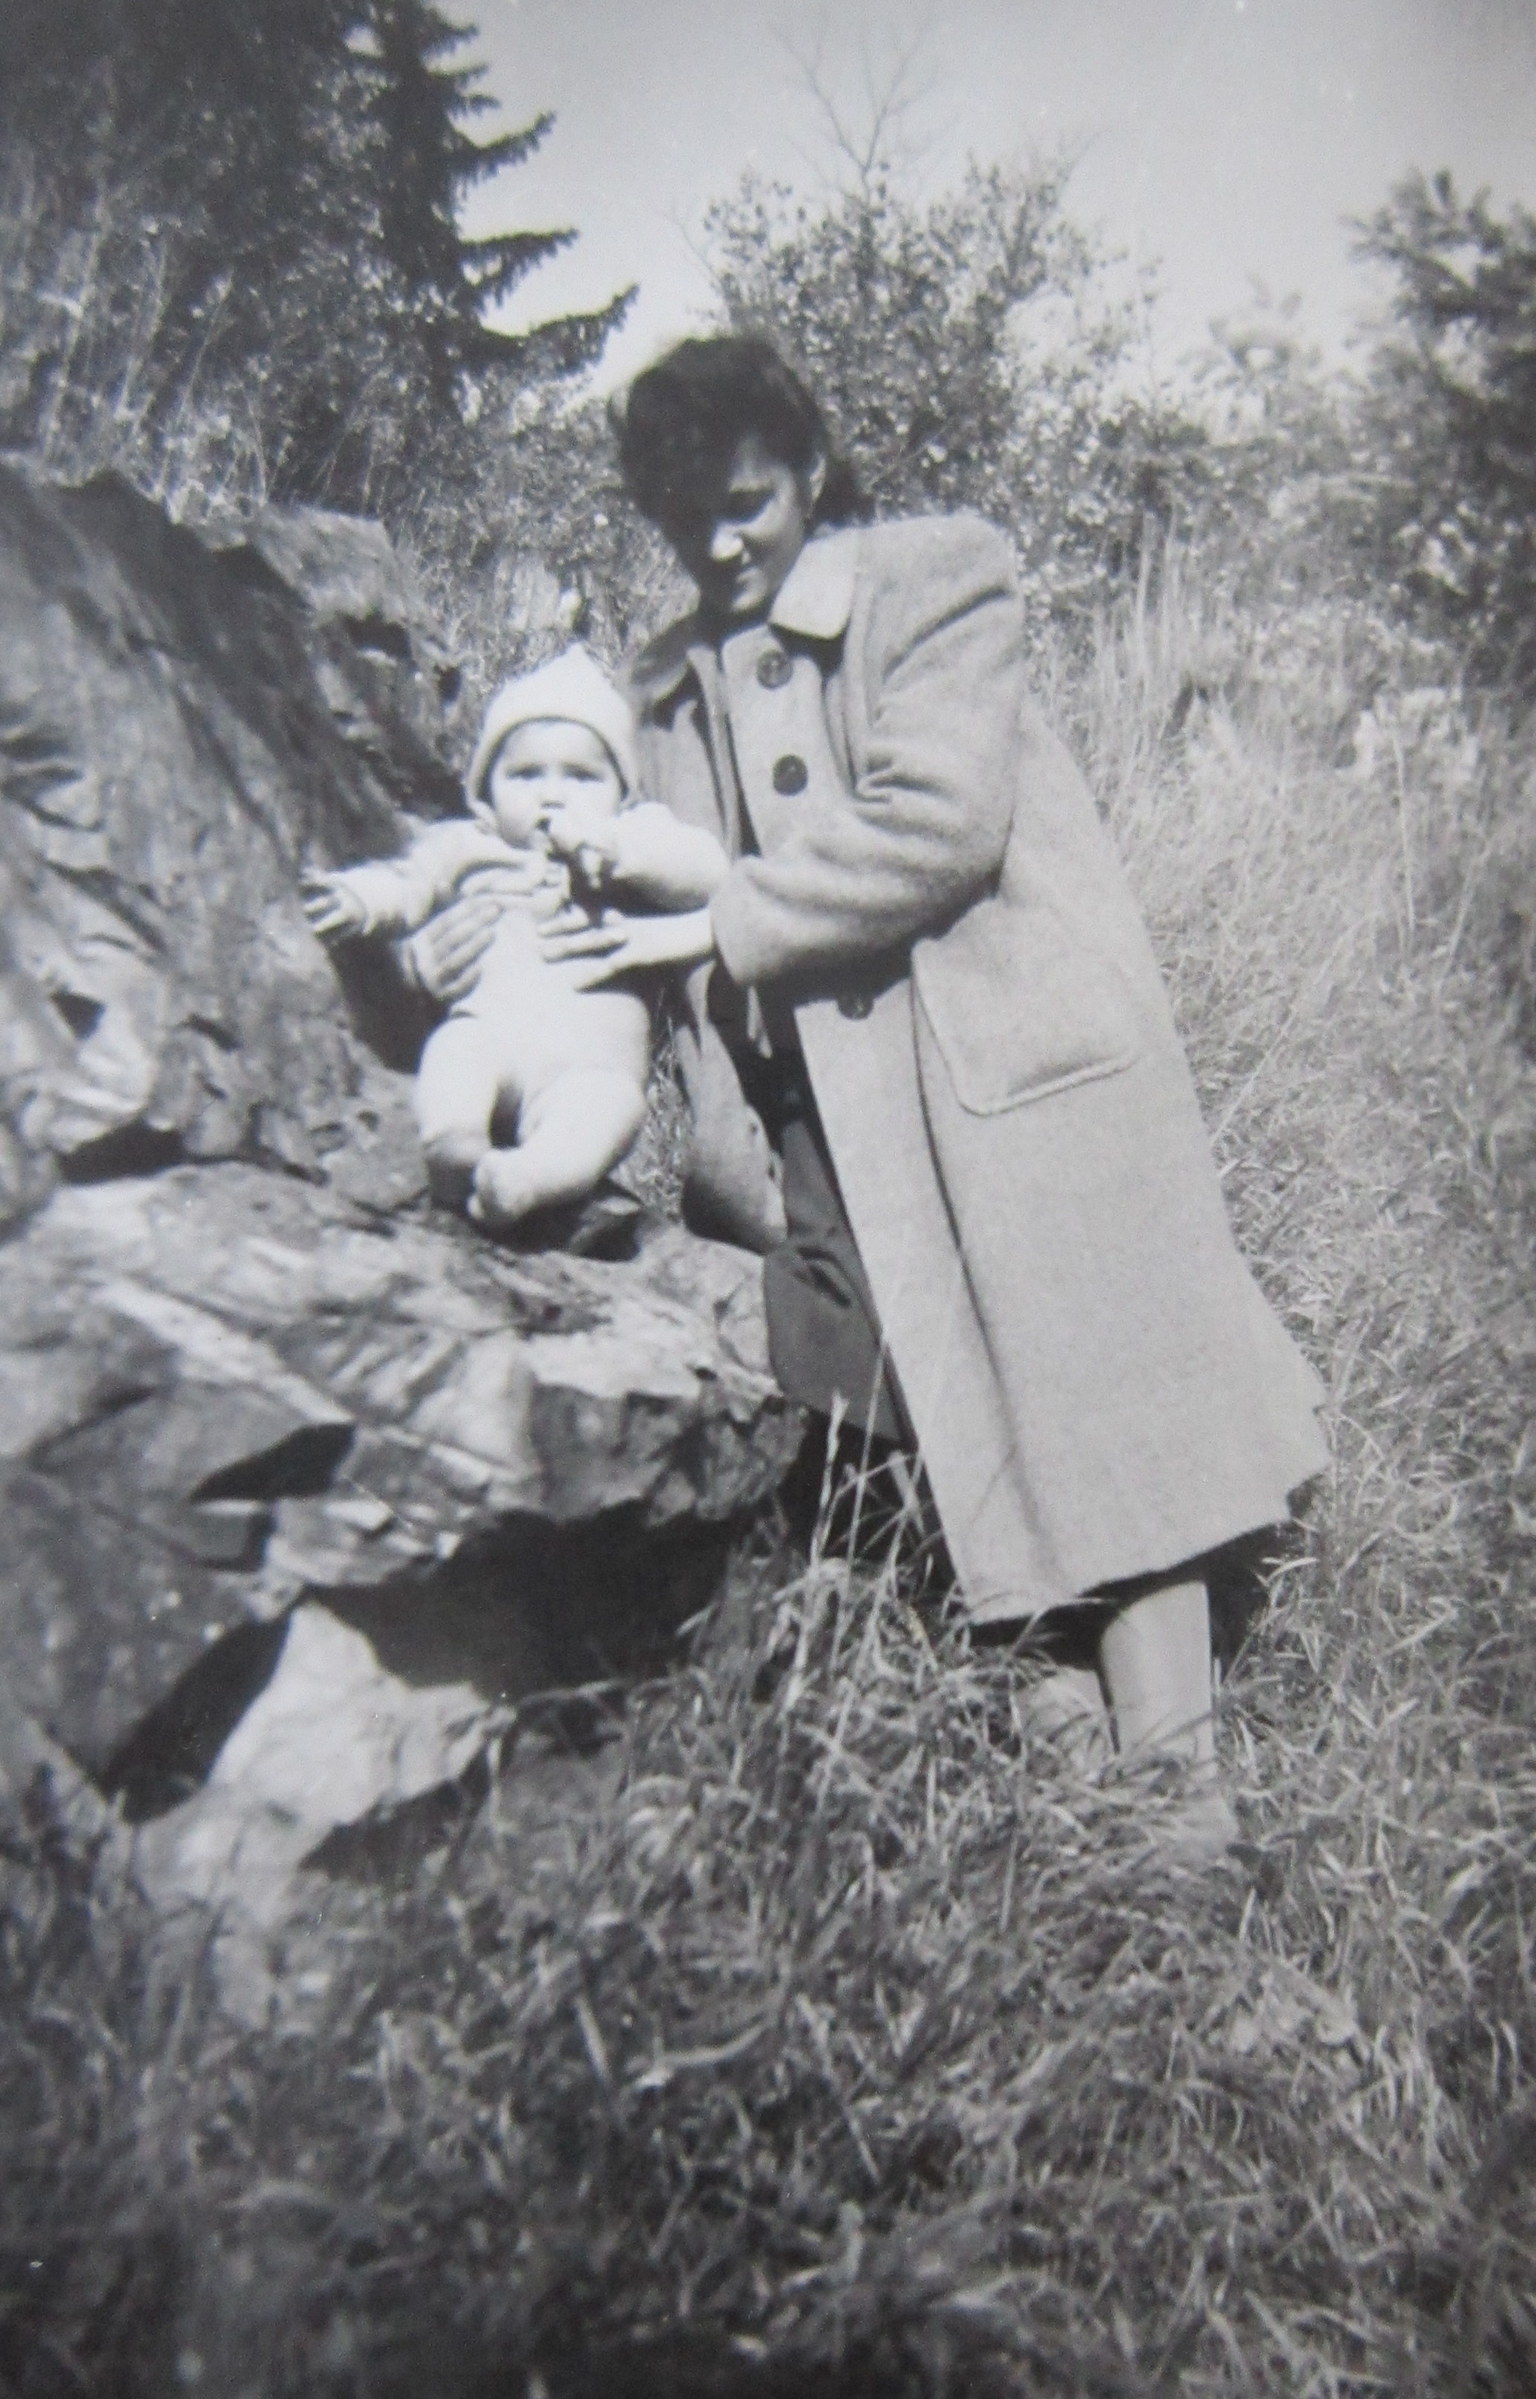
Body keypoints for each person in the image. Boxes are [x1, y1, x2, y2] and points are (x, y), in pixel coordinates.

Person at [416, 337, 1328, 1857]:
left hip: (1010, 1067)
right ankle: (1075, 1783)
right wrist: (480, 922)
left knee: (1093, 1393)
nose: (720, 545)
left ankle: (1181, 1793)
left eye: (747, 505)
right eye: (685, 518)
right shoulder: (664, 684)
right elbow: (601, 869)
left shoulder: (937, 578)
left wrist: (726, 914)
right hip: (828, 1125)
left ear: (810, 468)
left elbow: (939, 823)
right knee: (924, 1407)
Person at [303, 644, 729, 1232]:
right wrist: (358, 901)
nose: (552, 795)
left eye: (581, 776)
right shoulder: (472, 845)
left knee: (611, 1109)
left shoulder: (629, 844)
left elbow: (709, 871)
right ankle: (456, 1144)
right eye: (526, 775)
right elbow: (410, 882)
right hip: (492, 1030)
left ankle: (526, 1179)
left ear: (622, 795)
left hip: (591, 1062)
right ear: (485, 797)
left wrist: (617, 850)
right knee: (455, 1052)